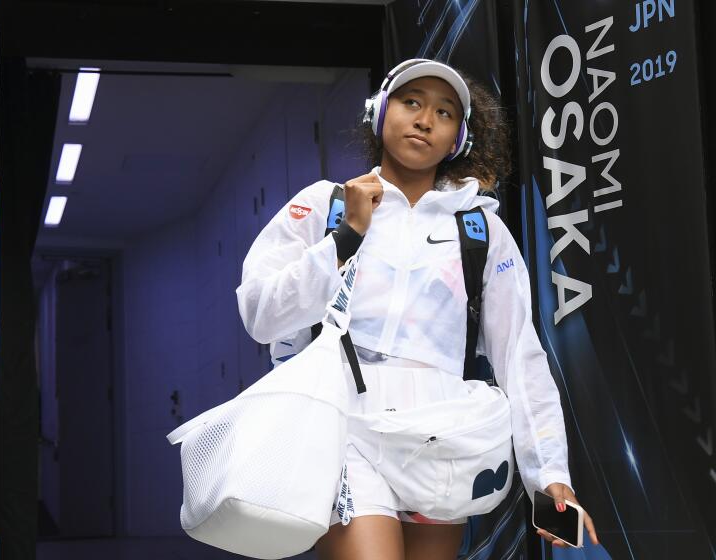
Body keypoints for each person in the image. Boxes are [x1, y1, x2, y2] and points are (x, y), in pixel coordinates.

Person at [235, 58, 599, 560]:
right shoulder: (325, 206)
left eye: (445, 112)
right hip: (347, 429)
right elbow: (260, 315)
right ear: (380, 111)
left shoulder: (480, 231)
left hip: (442, 440)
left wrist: (551, 476)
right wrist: (343, 240)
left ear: (459, 139)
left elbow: (520, 355)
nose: (425, 119)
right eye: (411, 102)